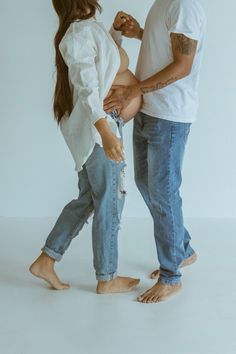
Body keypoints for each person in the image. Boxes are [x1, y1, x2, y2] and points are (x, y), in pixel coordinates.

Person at [29, 0, 141, 294]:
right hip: (97, 132)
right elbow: (88, 87)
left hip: (100, 129)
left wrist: (115, 34)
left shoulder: (87, 30)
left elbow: (105, 69)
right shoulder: (78, 34)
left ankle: (47, 259)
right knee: (110, 198)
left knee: (90, 198)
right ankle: (107, 277)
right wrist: (105, 132)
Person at [104, 0, 206, 303]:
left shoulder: (185, 5)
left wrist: (134, 90)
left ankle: (172, 276)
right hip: (151, 109)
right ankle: (182, 249)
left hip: (170, 116)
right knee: (147, 184)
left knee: (163, 192)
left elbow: (183, 64)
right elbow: (169, 46)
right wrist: (140, 33)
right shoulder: (165, 2)